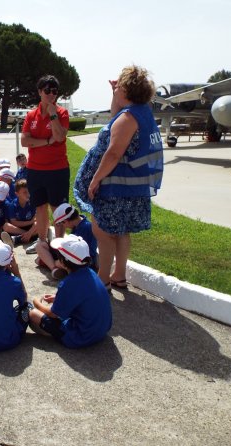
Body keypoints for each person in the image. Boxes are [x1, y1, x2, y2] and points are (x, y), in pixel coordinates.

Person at [73, 65, 163, 290]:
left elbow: (113, 153)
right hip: (131, 187)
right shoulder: (141, 112)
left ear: (127, 89)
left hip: (115, 186)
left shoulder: (129, 118)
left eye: (120, 86)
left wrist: (95, 180)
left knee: (102, 232)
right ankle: (119, 276)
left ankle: (103, 278)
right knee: (122, 232)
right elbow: (116, 116)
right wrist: (114, 95)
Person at [29, 235, 112, 348]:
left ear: (63, 261)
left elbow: (52, 314)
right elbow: (83, 295)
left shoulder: (68, 283)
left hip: (81, 337)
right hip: (102, 330)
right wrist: (57, 298)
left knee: (33, 314)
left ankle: (53, 332)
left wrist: (36, 303)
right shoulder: (92, 273)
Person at [21, 74, 70, 256]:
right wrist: (47, 142)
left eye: (54, 91)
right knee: (40, 208)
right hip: (35, 169)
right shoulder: (31, 115)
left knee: (58, 209)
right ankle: (42, 242)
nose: (51, 95)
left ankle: (58, 246)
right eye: (47, 91)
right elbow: (25, 141)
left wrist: (52, 115)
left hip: (57, 170)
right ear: (40, 92)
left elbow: (59, 136)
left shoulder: (61, 113)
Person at [1, 179, 37, 246]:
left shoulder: (32, 202)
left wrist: (31, 229)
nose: (28, 194)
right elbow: (14, 222)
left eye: (29, 191)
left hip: (31, 227)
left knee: (41, 223)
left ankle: (17, 239)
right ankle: (31, 237)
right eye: (25, 192)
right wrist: (30, 226)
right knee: (6, 226)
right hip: (18, 228)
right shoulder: (12, 205)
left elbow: (37, 219)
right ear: (17, 194)